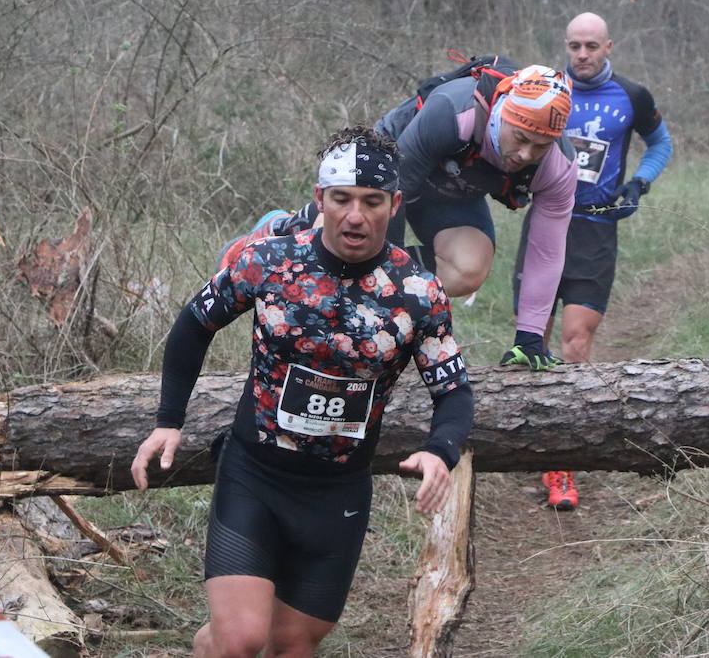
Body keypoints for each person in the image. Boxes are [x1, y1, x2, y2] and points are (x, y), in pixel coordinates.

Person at [132, 126, 474, 658]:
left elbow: (453, 391)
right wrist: (168, 420)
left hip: (337, 492)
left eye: (371, 201)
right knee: (242, 640)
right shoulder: (268, 260)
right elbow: (192, 325)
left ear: (395, 203)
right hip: (255, 476)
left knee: (290, 643)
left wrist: (439, 450)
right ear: (320, 198)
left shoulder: (417, 293)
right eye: (341, 200)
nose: (355, 216)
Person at [222, 64, 579, 373]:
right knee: (347, 251)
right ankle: (282, 233)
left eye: (540, 146)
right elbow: (392, 194)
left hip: (451, 189)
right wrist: (382, 294)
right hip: (389, 168)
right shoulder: (453, 112)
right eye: (520, 138)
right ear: (502, 113)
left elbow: (547, 251)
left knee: (469, 268)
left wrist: (530, 338)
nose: (526, 154)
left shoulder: (559, 165)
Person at [518, 11, 673, 509]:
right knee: (531, 338)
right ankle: (521, 435)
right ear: (565, 47)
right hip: (545, 225)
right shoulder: (547, 89)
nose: (581, 55)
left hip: (596, 231)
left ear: (610, 47)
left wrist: (640, 182)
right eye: (574, 46)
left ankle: (561, 464)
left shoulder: (632, 96)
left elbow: (661, 144)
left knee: (575, 344)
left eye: (591, 46)